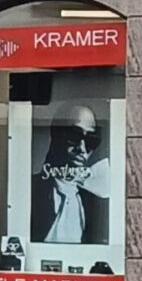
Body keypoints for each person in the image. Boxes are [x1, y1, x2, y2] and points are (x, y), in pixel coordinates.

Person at [30, 104, 109, 245]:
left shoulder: (96, 199)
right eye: (74, 135)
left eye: (91, 140)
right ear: (56, 134)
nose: (82, 149)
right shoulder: (30, 190)